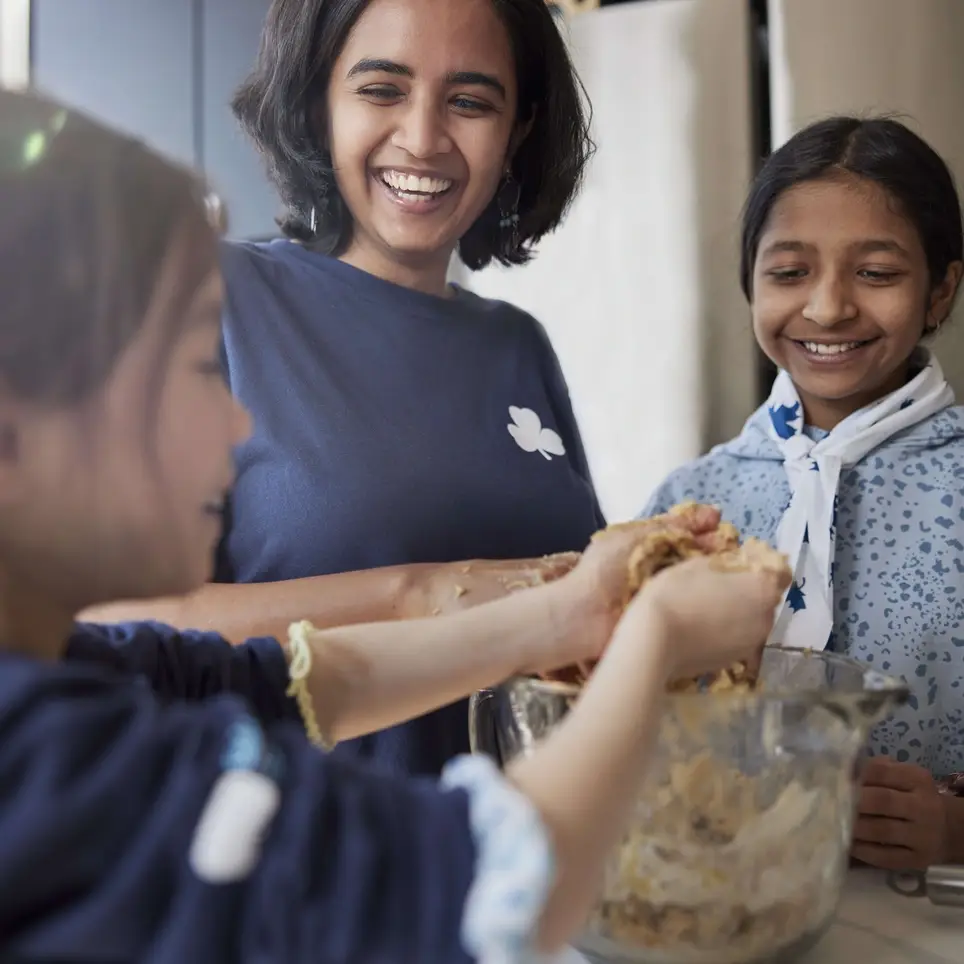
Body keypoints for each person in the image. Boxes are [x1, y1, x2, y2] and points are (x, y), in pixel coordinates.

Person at [0, 89, 787, 962]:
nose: (234, 421)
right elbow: (490, 887)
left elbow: (286, 684)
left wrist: (575, 611)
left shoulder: (80, 675)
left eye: (472, 99)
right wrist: (656, 636)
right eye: (194, 368)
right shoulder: (42, 758)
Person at [85, 0, 607, 780]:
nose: (423, 138)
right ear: (316, 104)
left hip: (531, 844)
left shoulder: (517, 345)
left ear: (518, 130)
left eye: (470, 101)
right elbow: (110, 625)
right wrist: (416, 595)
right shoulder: (209, 297)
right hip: (309, 843)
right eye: (381, 89)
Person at [641, 116, 964, 870]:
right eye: (789, 272)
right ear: (750, 281)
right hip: (713, 903)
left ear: (940, 291)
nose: (827, 308)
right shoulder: (690, 501)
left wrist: (956, 829)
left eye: (876, 273)